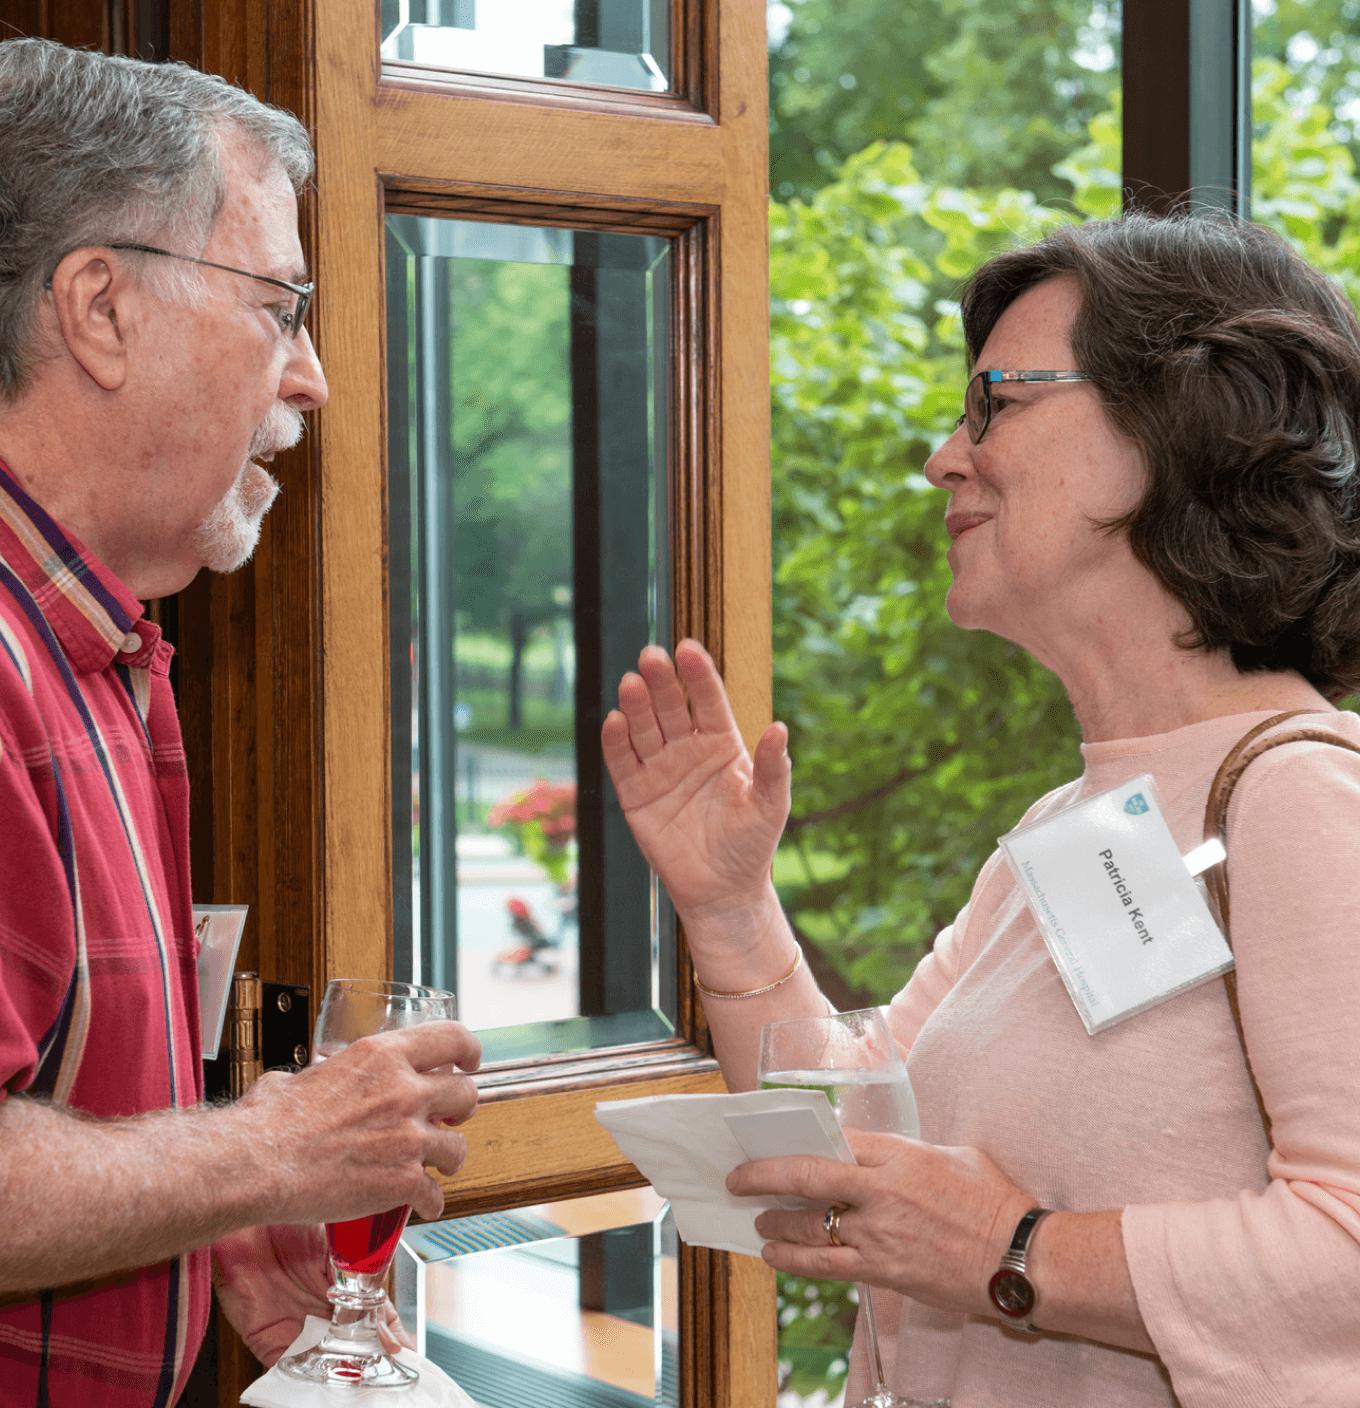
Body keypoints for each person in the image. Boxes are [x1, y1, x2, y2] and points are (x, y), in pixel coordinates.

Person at [602, 211, 1360, 1406]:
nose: (944, 457)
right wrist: (731, 910)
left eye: (993, 403)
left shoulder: (1306, 800)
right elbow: (860, 1127)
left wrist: (1014, 1253)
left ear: (1179, 422)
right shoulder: (1078, 821)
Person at [0, 38, 481, 1405]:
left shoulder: (98, 648)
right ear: (99, 309)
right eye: (282, 304)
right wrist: (271, 1150)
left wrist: (201, 1219)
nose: (313, 377)